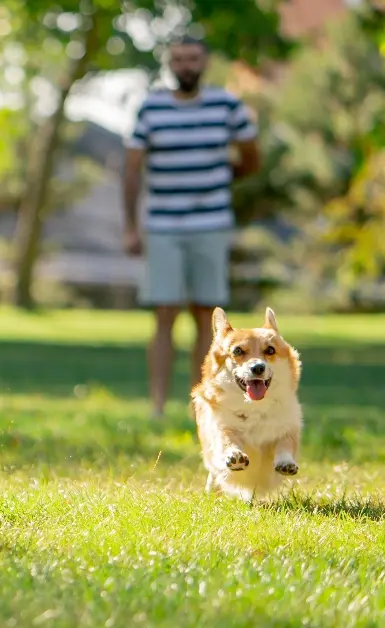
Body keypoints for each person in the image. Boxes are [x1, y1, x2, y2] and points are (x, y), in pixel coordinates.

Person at [122, 35, 261, 418]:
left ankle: (203, 405)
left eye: (193, 58)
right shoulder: (151, 108)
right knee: (163, 315)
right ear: (169, 64)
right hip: (163, 225)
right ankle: (158, 406)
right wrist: (131, 226)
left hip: (211, 223)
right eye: (179, 59)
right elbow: (132, 168)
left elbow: (252, 157)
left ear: (205, 62)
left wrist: (219, 178)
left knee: (208, 317)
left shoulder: (226, 105)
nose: (186, 65)